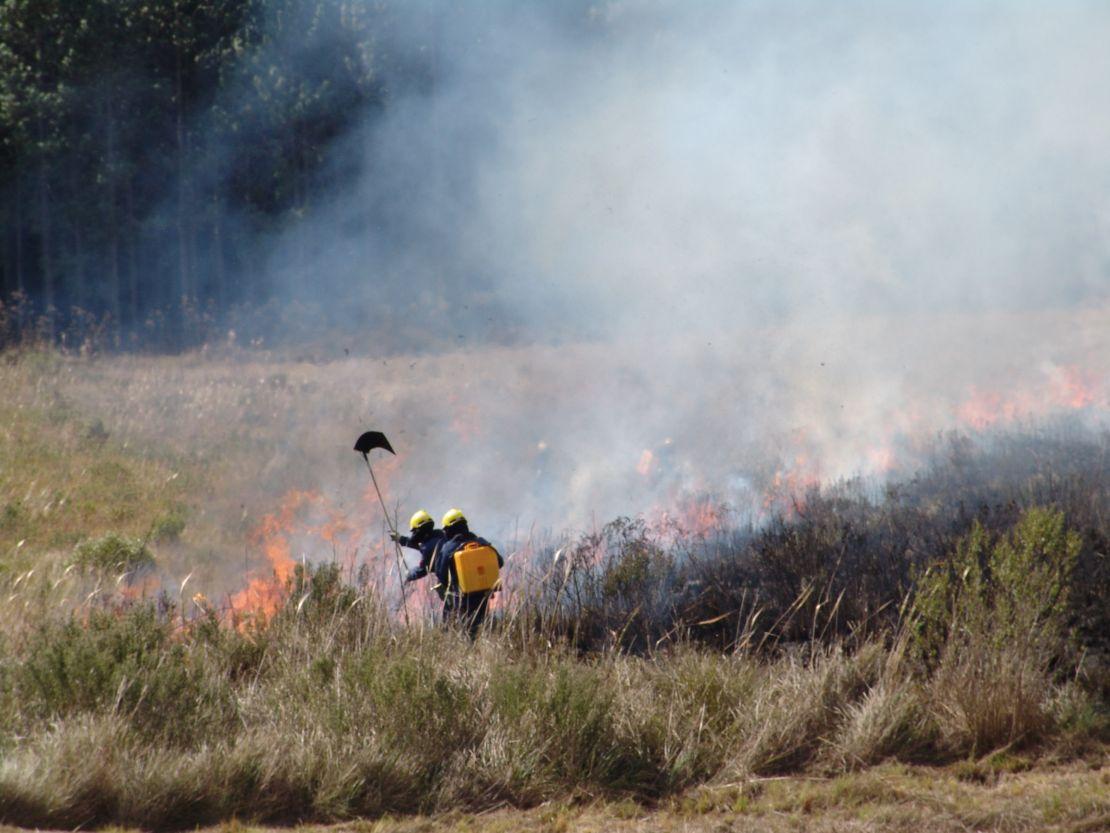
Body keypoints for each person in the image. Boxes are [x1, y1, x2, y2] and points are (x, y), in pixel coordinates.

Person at [432, 508, 503, 636]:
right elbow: (500, 562)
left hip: (458, 597)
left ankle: (460, 650)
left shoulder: (448, 547)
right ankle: (480, 648)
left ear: (449, 529)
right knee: (478, 627)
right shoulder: (481, 542)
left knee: (450, 628)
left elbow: (441, 574)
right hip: (482, 596)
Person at [390, 510, 445, 586]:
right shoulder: (439, 534)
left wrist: (409, 575)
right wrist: (401, 539)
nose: (414, 534)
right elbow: (421, 545)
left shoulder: (427, 548)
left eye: (414, 531)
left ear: (419, 530)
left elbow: (422, 570)